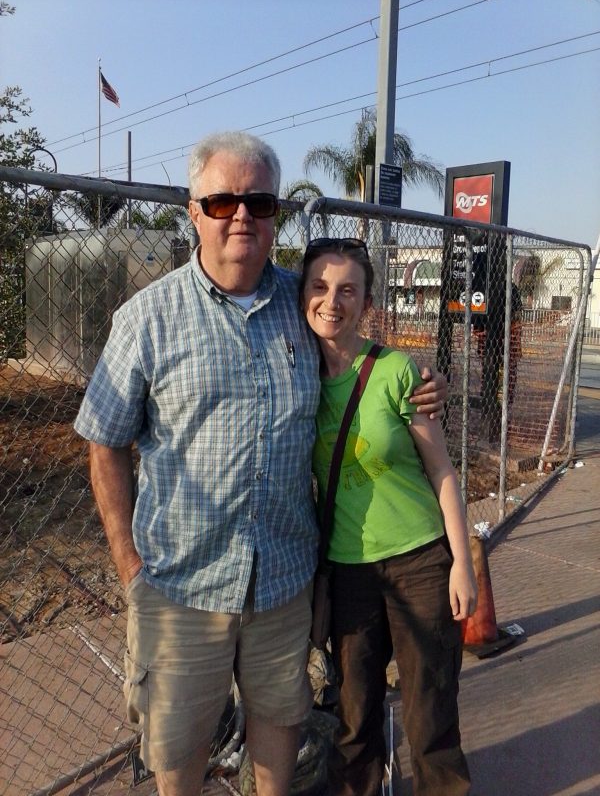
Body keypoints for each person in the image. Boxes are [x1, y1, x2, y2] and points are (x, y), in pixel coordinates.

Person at [74, 131, 447, 796]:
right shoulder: (146, 319)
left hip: (281, 583)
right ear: (194, 211)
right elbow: (104, 440)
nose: (241, 214)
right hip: (180, 588)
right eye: (221, 201)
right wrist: (130, 566)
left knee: (280, 728)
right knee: (181, 749)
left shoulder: (299, 308)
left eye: (258, 201)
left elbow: (355, 341)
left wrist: (419, 378)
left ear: (275, 215)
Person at [299, 237, 478, 796]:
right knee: (354, 716)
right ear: (302, 294)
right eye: (320, 287)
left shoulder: (398, 371)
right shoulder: (295, 380)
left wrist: (463, 564)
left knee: (430, 710)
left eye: (348, 290)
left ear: (367, 302)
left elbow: (443, 471)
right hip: (349, 571)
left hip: (421, 560)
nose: (333, 301)